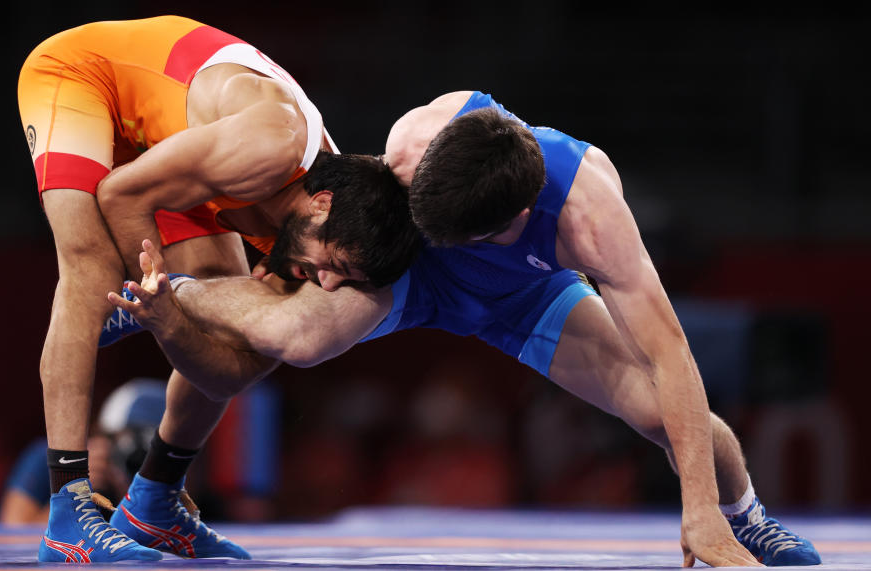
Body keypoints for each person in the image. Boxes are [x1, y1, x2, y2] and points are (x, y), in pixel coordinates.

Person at [105, 91, 819, 567]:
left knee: (661, 411)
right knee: (294, 338)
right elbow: (338, 211)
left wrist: (701, 510)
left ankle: (743, 514)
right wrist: (288, 263)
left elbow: (671, 351)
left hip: (526, 296)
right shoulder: (412, 144)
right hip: (411, 266)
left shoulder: (590, 213)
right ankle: (173, 313)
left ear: (511, 221)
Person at [17, 16, 419, 563]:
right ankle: (67, 510)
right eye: (334, 265)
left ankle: (154, 498)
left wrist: (174, 316)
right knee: (88, 268)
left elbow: (226, 370)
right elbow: (119, 194)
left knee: (231, 318)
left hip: (176, 150)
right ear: (321, 206)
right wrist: (158, 288)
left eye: (340, 280)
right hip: (86, 77)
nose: (324, 282)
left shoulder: (314, 220)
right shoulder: (271, 148)